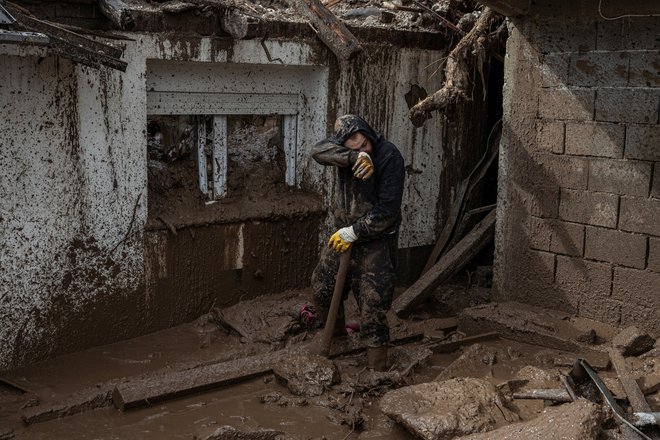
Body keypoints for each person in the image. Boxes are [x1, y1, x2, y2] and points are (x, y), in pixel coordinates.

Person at [309, 115, 405, 370]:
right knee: (322, 289)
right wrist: (354, 158)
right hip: (342, 236)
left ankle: (377, 371)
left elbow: (388, 212)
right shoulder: (345, 154)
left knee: (373, 308)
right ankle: (340, 341)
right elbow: (317, 151)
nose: (364, 150)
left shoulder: (389, 157)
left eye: (365, 145)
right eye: (356, 148)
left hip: (376, 241)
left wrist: (355, 231)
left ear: (369, 135)